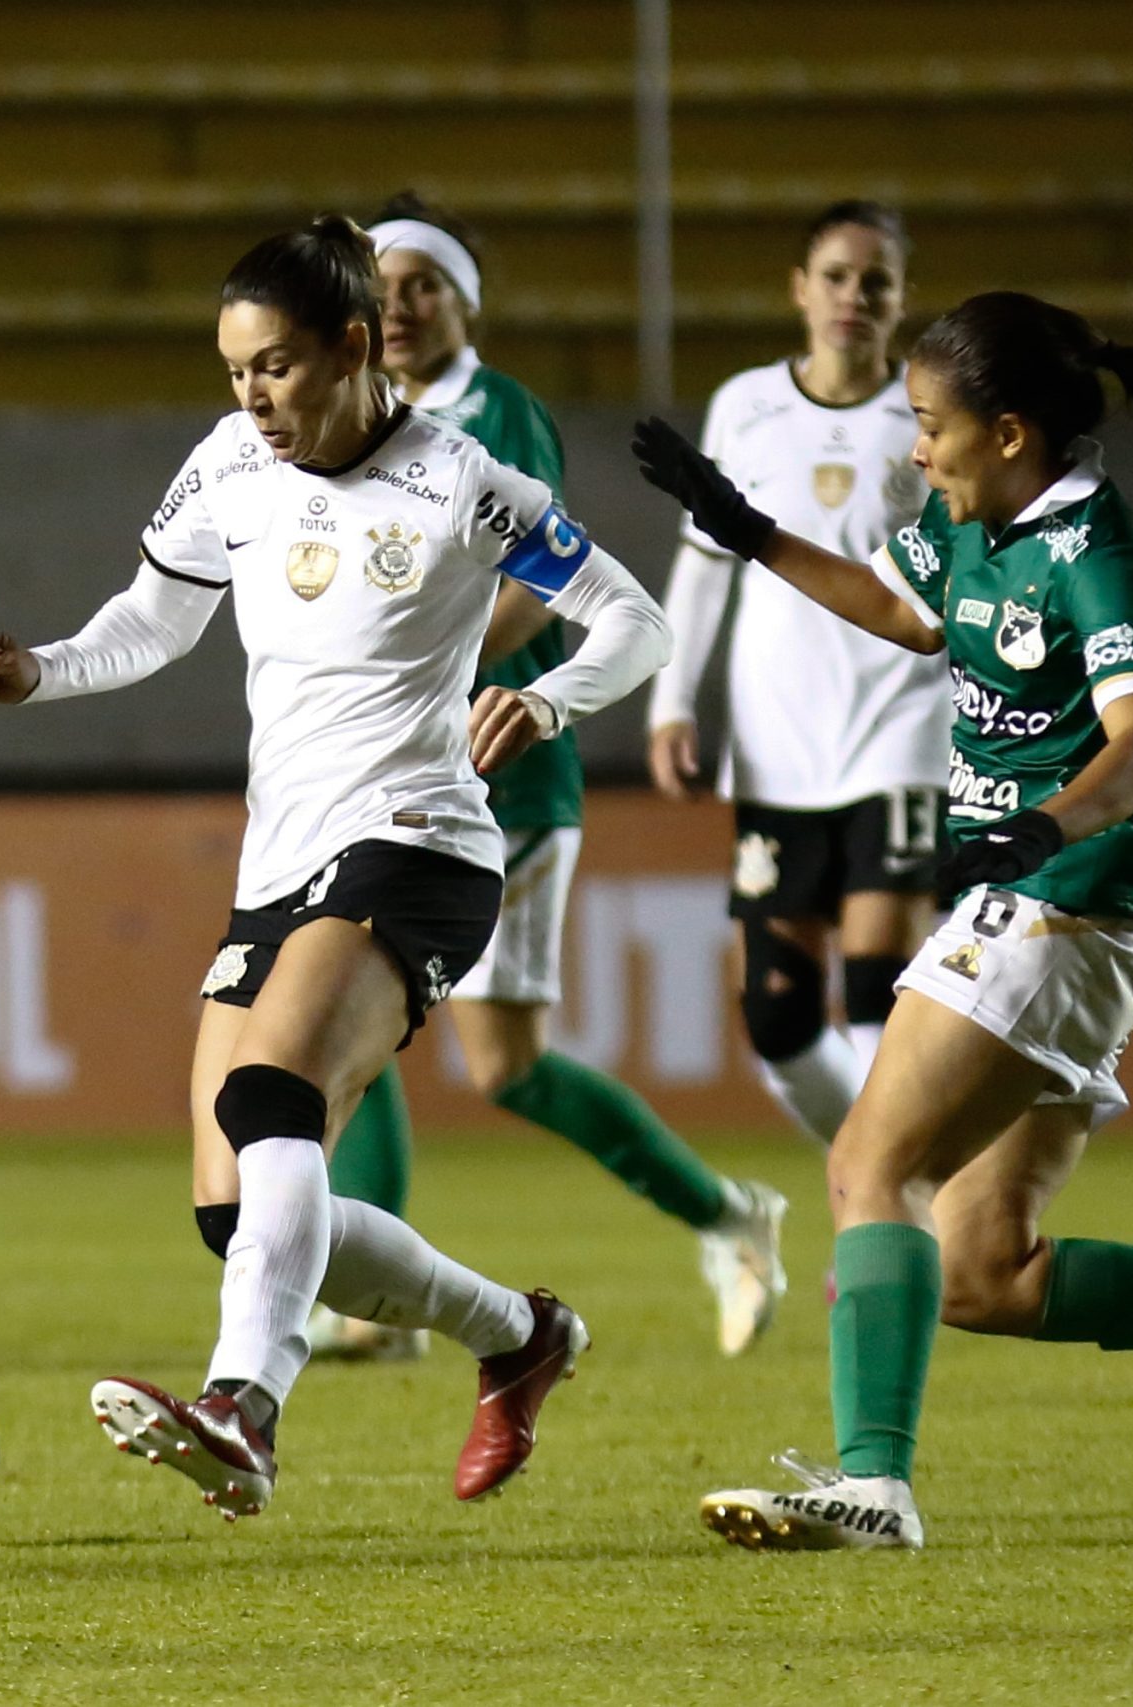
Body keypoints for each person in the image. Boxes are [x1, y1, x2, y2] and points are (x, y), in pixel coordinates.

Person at [632, 290, 1133, 1553]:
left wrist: (1048, 825)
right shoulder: (977, 528)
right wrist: (743, 528)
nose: (911, 450)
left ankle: (871, 1485)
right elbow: (897, 610)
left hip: (1069, 905)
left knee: (865, 1167)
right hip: (1063, 910)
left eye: (928, 425)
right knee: (981, 1272)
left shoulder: (1099, 555)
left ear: (1007, 433)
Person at [0, 216, 671, 1522]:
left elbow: (635, 617)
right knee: (238, 1215)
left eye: (277, 367)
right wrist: (40, 668)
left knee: (274, 1092)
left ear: (354, 348)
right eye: (235, 370)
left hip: (419, 844)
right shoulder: (232, 461)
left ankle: (245, 1403)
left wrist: (556, 698)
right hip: (283, 857)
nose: (252, 397)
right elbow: (154, 617)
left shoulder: (462, 480)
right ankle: (516, 1333)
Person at [305, 191, 788, 1366]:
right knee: (338, 1019)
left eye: (429, 282)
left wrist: (432, 668)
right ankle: (377, 1299)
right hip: (374, 774)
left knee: (499, 1066)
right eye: (389, 282)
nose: (407, 303)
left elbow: (536, 579)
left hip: (494, 774)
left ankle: (728, 1214)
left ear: (466, 299)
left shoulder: (492, 411)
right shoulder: (351, 417)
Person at [645, 201, 947, 1203]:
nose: (853, 297)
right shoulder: (744, 408)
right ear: (798, 287)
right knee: (776, 1014)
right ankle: (882, 1179)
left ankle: (884, 1214)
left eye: (875, 280)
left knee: (875, 988)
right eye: (834, 275)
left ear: (902, 300)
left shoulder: (926, 417)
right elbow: (704, 565)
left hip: (900, 727)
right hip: (776, 742)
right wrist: (671, 702)